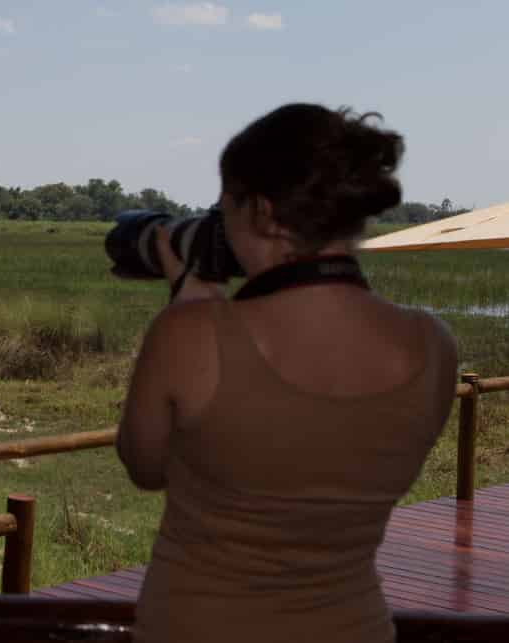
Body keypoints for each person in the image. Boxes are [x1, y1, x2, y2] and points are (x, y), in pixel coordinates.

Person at [116, 103, 459, 643]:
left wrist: (191, 304)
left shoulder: (190, 336)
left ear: (265, 213)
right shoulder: (431, 346)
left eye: (225, 207)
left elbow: (145, 467)